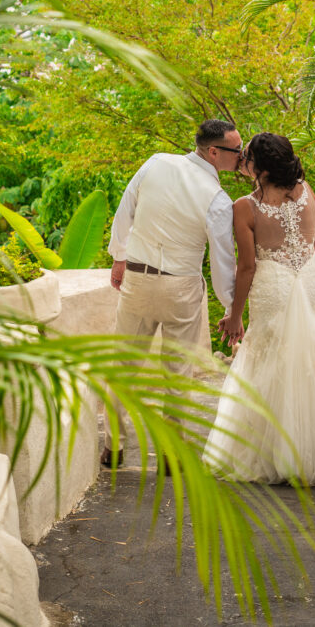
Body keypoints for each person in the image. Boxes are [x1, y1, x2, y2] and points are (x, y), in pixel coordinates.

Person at [203, 132, 315, 485]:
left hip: (274, 284)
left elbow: (247, 267)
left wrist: (235, 314)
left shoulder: (245, 206)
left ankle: (280, 454)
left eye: (248, 157)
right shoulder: (306, 191)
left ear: (263, 168)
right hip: (310, 279)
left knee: (273, 357)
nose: (243, 161)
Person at [101, 119, 242, 469]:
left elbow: (125, 209)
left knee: (123, 366)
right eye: (236, 151)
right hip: (181, 286)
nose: (241, 157)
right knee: (177, 372)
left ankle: (113, 447)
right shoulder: (218, 199)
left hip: (137, 279)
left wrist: (119, 257)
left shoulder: (155, 163)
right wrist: (230, 307)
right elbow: (223, 261)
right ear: (214, 152)